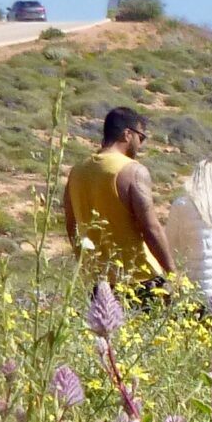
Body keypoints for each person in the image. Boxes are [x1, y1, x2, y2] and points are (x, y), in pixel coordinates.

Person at [63, 107, 173, 287]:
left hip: (99, 281)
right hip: (140, 278)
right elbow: (150, 228)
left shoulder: (77, 171)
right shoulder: (132, 171)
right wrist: (173, 273)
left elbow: (71, 226)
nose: (140, 144)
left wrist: (87, 265)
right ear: (127, 134)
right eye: (141, 138)